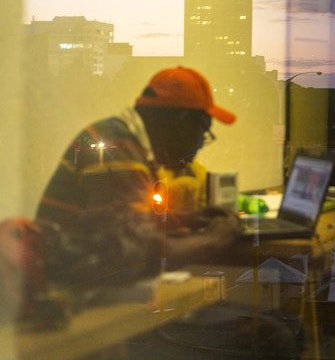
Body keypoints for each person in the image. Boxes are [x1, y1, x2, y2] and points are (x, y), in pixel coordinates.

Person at [35, 66, 241, 293]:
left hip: (83, 287)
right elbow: (136, 252)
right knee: (269, 329)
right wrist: (213, 240)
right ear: (182, 123)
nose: (201, 143)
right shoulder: (115, 146)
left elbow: (128, 227)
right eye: (203, 133)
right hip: (73, 299)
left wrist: (186, 219)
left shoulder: (126, 142)